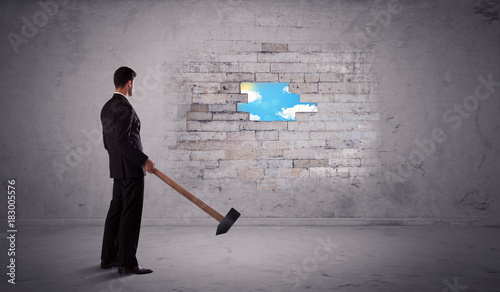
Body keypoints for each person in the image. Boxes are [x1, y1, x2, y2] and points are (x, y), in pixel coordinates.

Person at [100, 66, 155, 275]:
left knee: (115, 213)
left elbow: (108, 142)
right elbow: (122, 140)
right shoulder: (125, 107)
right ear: (130, 82)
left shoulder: (106, 107)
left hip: (117, 169)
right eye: (134, 82)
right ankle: (127, 264)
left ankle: (109, 258)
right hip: (131, 170)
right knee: (130, 216)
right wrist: (144, 160)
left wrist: (117, 162)